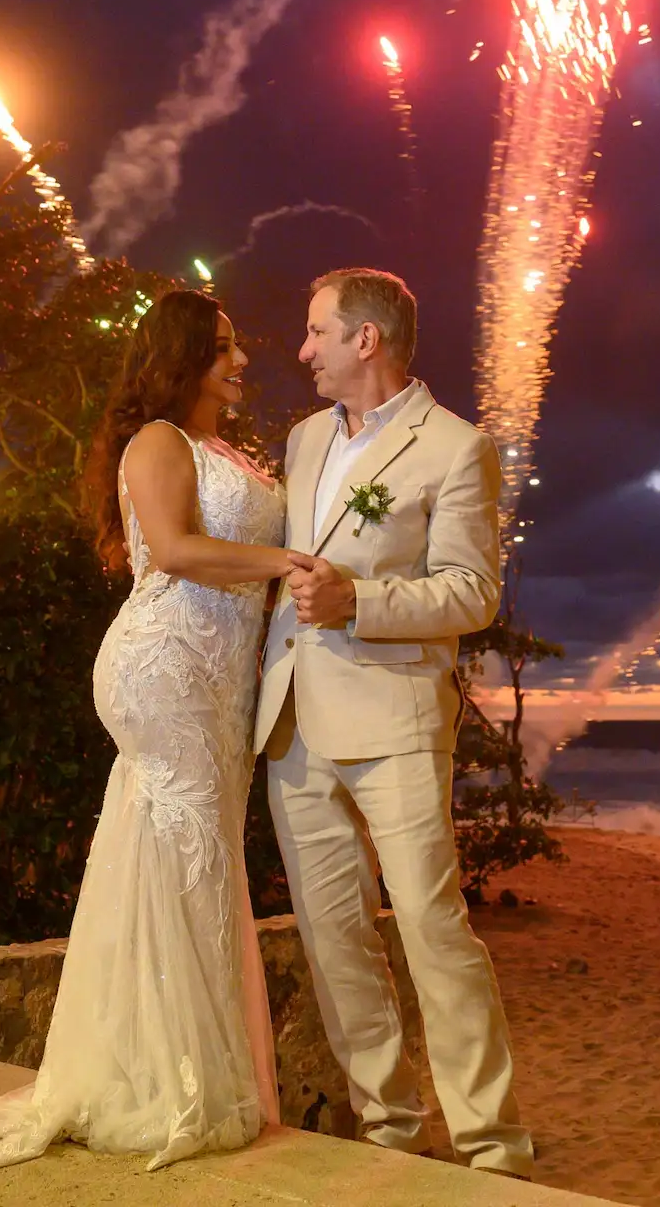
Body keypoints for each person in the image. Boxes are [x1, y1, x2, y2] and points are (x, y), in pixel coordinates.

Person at [0, 290, 291, 1172]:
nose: (240, 363)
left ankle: (166, 1070)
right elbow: (177, 547)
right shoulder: (158, 441)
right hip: (166, 667)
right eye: (224, 349)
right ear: (182, 356)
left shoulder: (227, 450)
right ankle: (173, 1084)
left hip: (222, 680)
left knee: (190, 861)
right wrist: (289, 561)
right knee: (188, 856)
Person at [255, 267, 534, 1179]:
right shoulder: (301, 441)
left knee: (429, 923)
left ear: (365, 339)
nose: (303, 351)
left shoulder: (454, 447)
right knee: (333, 932)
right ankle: (390, 1126)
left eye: (316, 332)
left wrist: (359, 599)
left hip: (396, 718)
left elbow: (474, 591)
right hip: (293, 719)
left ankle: (490, 1143)